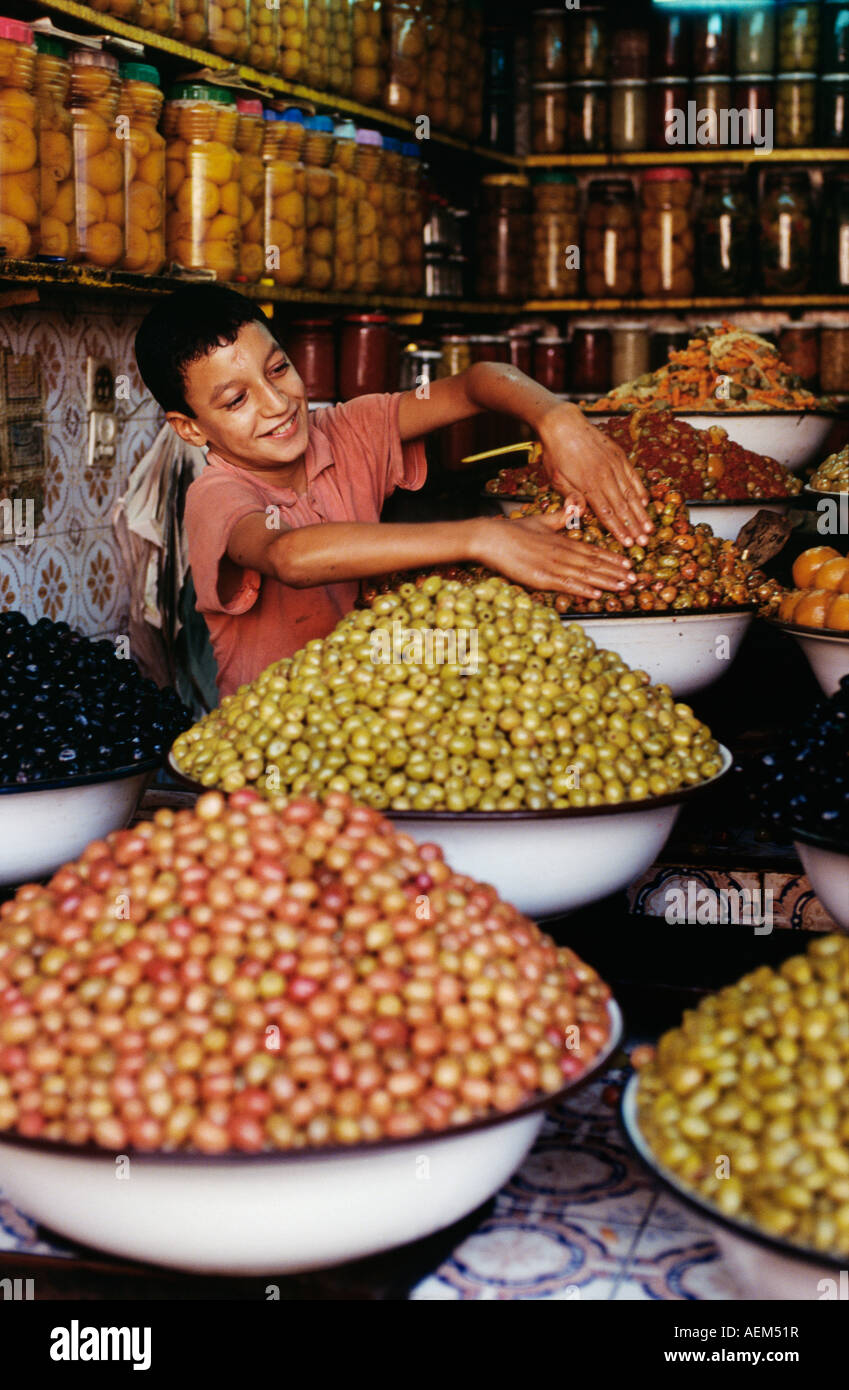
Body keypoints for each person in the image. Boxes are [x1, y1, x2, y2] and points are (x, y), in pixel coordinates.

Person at [134, 286, 651, 698]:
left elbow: (478, 382)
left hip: (372, 717)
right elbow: (289, 555)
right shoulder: (216, 495)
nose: (276, 403)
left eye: (278, 369)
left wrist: (557, 418)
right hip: (271, 756)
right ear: (191, 428)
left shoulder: (351, 429)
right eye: (236, 399)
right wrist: (483, 538)